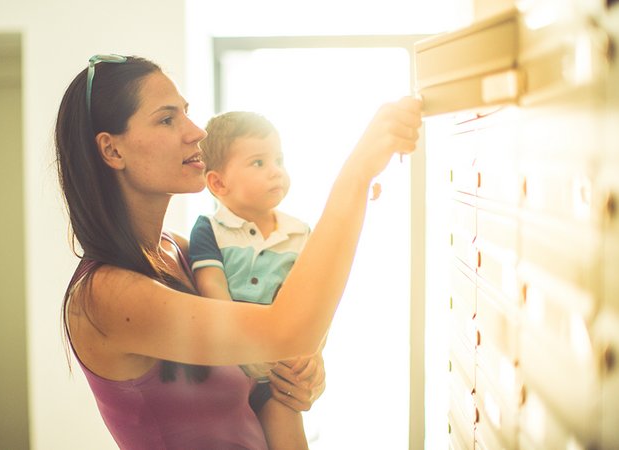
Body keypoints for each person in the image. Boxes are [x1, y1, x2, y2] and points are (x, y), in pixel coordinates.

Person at [55, 54, 422, 449]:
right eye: (167, 119)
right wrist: (356, 172)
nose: (196, 132)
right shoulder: (105, 295)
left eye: (187, 113)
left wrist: (299, 373)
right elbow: (286, 329)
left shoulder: (178, 251)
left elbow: (276, 343)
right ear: (112, 151)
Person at [188, 111, 319, 449]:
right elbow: (213, 292)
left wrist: (311, 353)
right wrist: (242, 350)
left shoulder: (300, 232)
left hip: (277, 374)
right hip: (224, 370)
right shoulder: (209, 230)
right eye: (259, 163)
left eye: (279, 159)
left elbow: (314, 301)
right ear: (218, 183)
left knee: (289, 433)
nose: (276, 170)